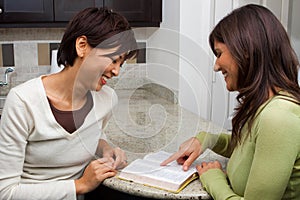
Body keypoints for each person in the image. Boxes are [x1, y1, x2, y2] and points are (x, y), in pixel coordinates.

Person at [161, 4, 300, 199]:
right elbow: (247, 150)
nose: (216, 66)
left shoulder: (278, 116)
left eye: (219, 54)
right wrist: (205, 139)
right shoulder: (264, 105)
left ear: (246, 51)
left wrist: (214, 179)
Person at [0, 7, 137, 200]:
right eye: (113, 60)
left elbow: (89, 135)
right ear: (82, 45)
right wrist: (79, 186)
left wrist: (105, 148)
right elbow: (5, 192)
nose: (116, 72)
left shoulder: (107, 99)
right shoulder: (23, 101)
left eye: (120, 64)